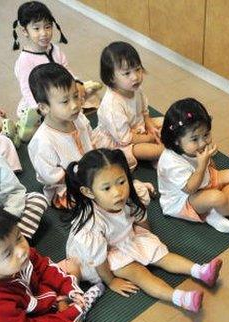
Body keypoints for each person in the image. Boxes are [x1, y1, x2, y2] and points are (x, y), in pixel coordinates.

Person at [65, 148, 223, 313]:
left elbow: (141, 218)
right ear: (88, 192)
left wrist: (148, 238)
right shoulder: (91, 225)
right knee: (139, 273)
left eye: (121, 182)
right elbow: (99, 260)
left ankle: (201, 271)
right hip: (101, 257)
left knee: (162, 254)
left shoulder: (132, 194)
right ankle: (179, 298)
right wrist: (110, 281)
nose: (118, 192)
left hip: (126, 236)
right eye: (106, 188)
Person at [158, 98, 229, 233]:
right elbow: (190, 189)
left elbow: (211, 169)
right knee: (217, 197)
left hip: (203, 182)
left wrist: (207, 163)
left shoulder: (192, 147)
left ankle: (215, 215)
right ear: (176, 140)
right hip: (183, 199)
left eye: (206, 135)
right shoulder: (171, 162)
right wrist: (202, 165)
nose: (202, 143)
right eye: (194, 139)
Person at [12, 1, 99, 142]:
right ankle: (22, 129)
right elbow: (27, 90)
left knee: (88, 97)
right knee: (43, 123)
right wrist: (40, 109)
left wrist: (76, 82)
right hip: (42, 100)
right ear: (24, 31)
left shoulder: (55, 49)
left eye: (47, 27)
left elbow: (67, 70)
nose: (44, 33)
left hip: (62, 93)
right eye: (36, 29)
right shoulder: (25, 60)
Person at [27, 63, 94, 209]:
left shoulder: (78, 118)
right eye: (65, 101)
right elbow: (52, 176)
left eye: (76, 96)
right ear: (44, 108)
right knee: (95, 199)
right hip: (67, 186)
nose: (75, 105)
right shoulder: (42, 142)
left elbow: (92, 141)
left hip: (91, 172)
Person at [93, 41, 165, 170]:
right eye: (127, 73)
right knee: (146, 149)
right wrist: (150, 138)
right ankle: (160, 154)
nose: (135, 77)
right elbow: (125, 139)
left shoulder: (136, 89)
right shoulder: (112, 105)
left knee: (166, 121)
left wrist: (151, 127)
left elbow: (144, 112)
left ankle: (157, 154)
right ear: (111, 78)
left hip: (137, 128)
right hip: (119, 143)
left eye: (137, 69)